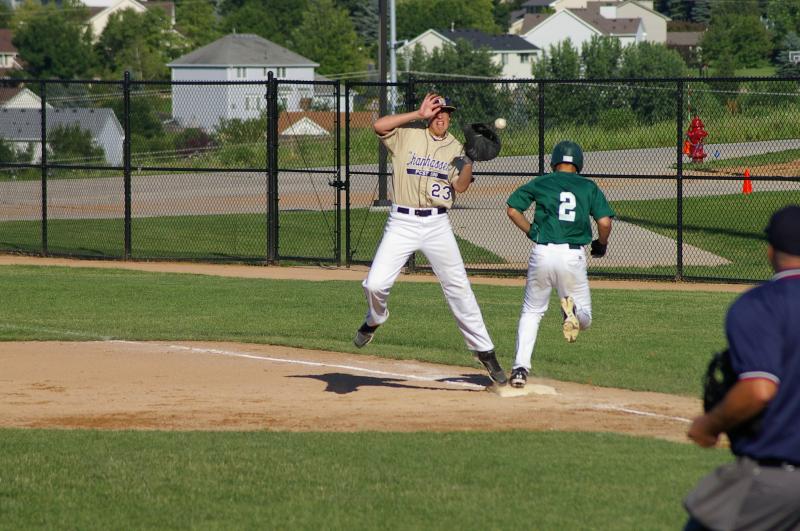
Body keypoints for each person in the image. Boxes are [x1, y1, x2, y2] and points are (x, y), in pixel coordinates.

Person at [353, 92, 507, 386]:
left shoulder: (457, 147)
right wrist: (417, 114)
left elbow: (460, 187)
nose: (441, 116)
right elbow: (378, 125)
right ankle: (375, 318)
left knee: (459, 287)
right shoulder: (407, 136)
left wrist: (469, 160)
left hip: (436, 224)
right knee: (375, 284)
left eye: (445, 112)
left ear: (450, 117)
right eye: (436, 111)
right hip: (402, 221)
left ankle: (485, 352)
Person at [683, 205, 800, 531]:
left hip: (775, 480)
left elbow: (759, 389)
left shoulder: (760, 305)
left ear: (770, 251)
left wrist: (710, 424)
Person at [504, 140, 614, 388]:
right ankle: (573, 313)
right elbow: (605, 222)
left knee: (532, 312)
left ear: (554, 162)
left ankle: (520, 369)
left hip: (542, 252)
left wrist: (531, 231)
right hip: (572, 256)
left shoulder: (542, 182)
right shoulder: (588, 186)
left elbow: (513, 210)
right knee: (585, 317)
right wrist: (601, 244)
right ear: (579, 163)